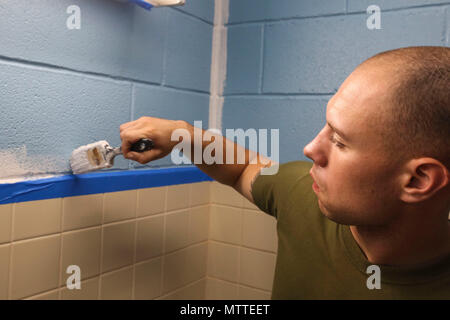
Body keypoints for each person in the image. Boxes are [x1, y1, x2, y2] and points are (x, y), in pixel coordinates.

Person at [119, 46, 450, 299]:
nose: (310, 149)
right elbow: (244, 168)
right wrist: (181, 134)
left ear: (418, 180)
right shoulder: (304, 195)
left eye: (339, 141)